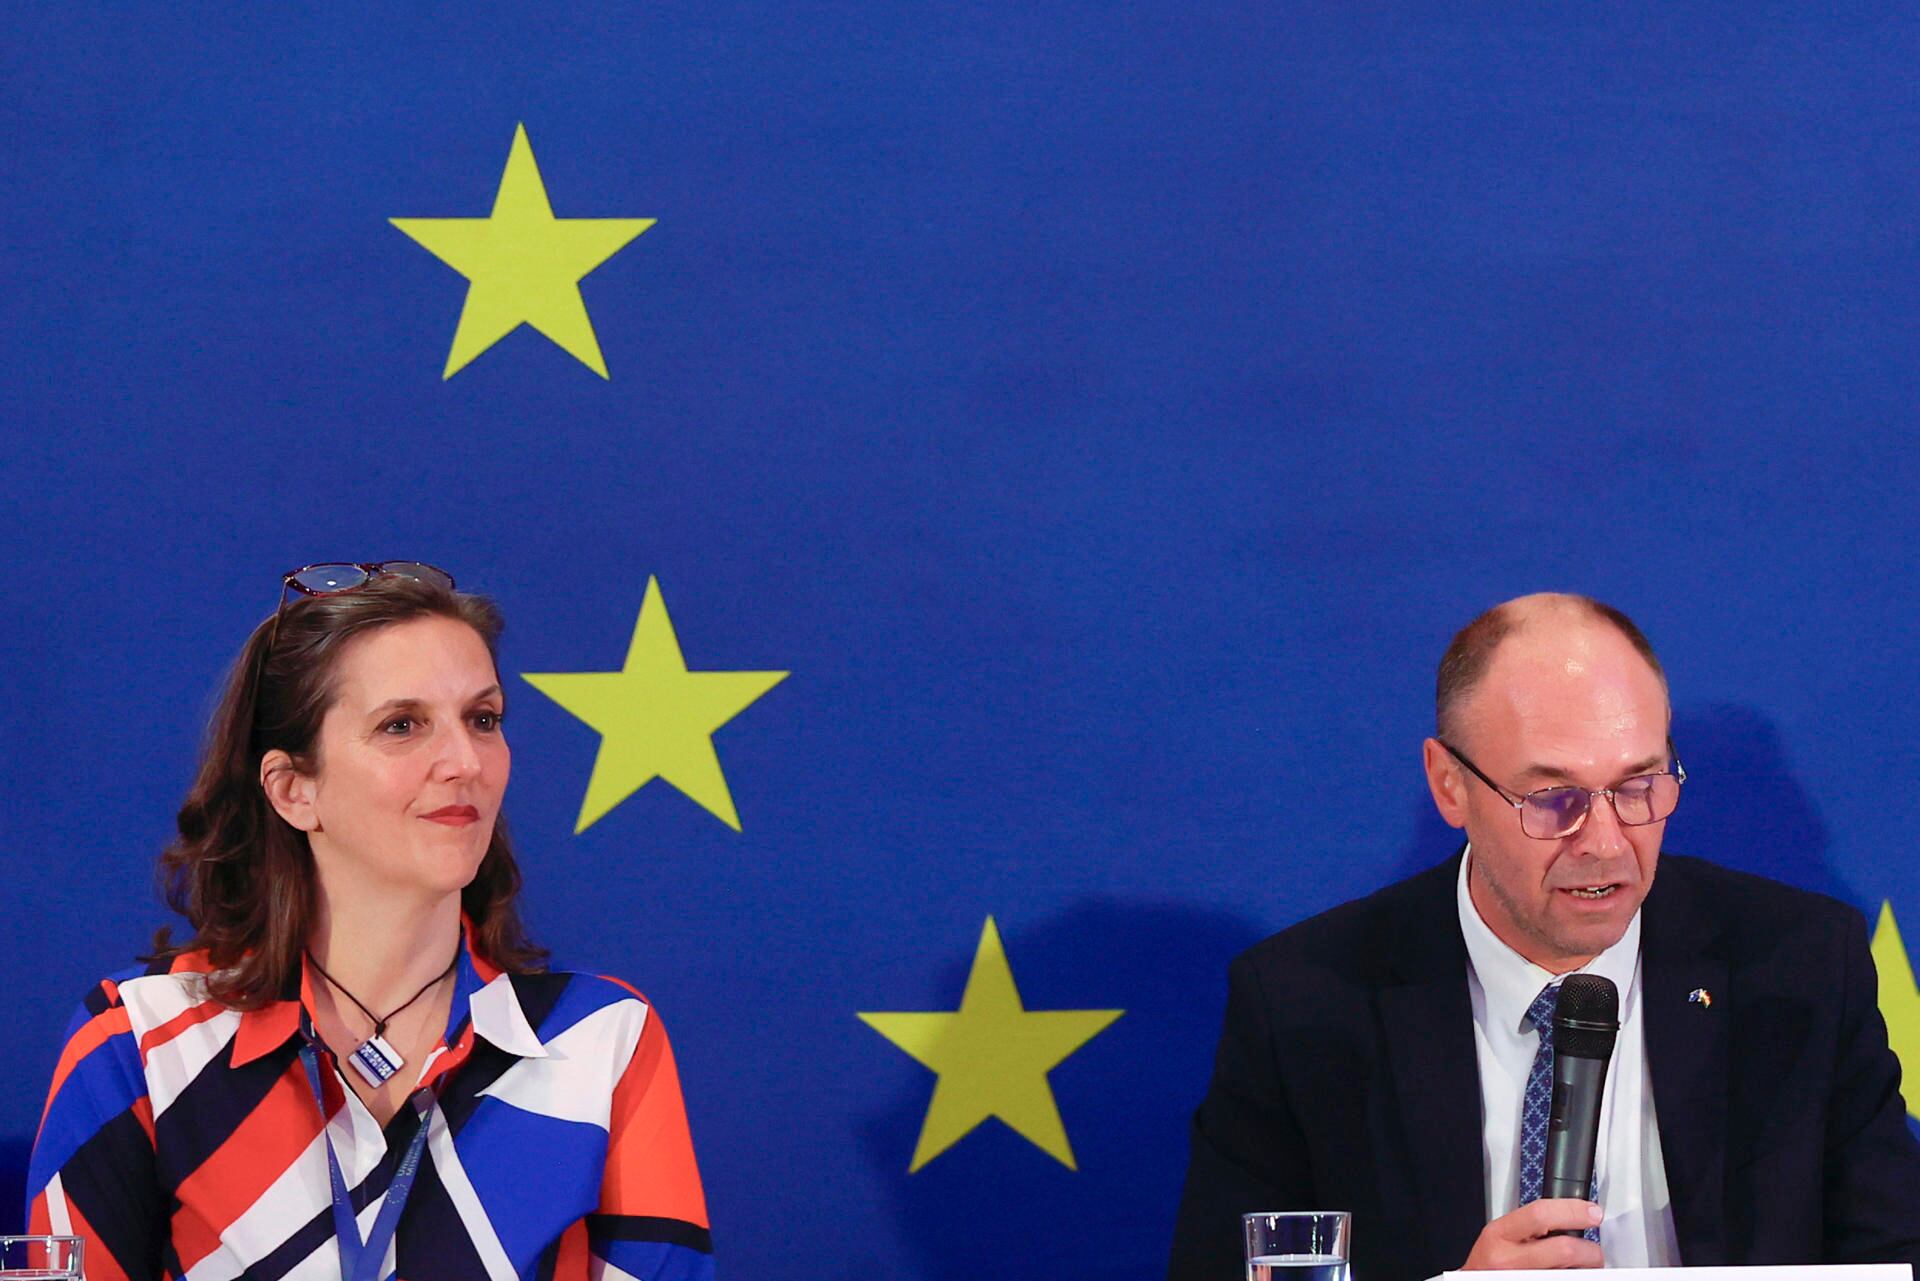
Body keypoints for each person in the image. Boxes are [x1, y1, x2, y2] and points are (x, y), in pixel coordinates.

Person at [1169, 592, 1920, 1281]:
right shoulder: (1303, 1004)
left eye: (1638, 786)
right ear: (1449, 784)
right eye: (1553, 797)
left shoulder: (1800, 966)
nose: (1604, 842)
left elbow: (1896, 1257)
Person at [25, 562, 713, 1281]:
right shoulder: (134, 1040)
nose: (464, 760)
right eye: (402, 725)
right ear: (294, 790)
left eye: (483, 718)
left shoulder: (602, 1040)